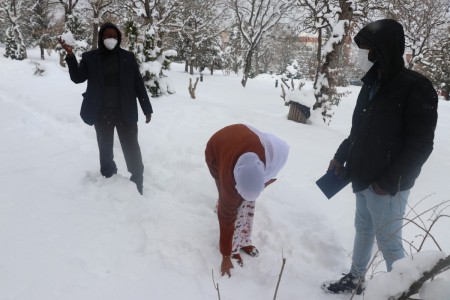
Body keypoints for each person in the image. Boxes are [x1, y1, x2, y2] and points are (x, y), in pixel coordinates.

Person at [322, 19, 438, 294]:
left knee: (390, 244)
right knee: (363, 230)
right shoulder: (371, 83)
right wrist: (341, 157)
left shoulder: (416, 87)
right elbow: (358, 130)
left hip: (387, 187)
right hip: (362, 177)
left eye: (368, 50)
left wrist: (388, 182)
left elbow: (421, 145)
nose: (363, 56)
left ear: (383, 50)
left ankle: (404, 292)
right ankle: (356, 278)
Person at [58, 23, 153, 195]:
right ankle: (109, 177)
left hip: (125, 111)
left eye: (115, 36)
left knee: (131, 146)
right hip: (101, 112)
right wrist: (70, 55)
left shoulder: (128, 57)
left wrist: (147, 108)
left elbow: (138, 83)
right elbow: (78, 78)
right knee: (105, 147)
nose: (112, 39)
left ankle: (137, 180)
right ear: (102, 37)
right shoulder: (90, 57)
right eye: (108, 36)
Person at [205, 124, 289, 277]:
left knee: (247, 205)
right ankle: (233, 248)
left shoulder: (269, 154)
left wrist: (262, 185)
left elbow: (254, 184)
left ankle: (243, 239)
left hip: (242, 138)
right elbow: (226, 220)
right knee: (231, 209)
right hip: (216, 150)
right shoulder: (229, 182)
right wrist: (226, 255)